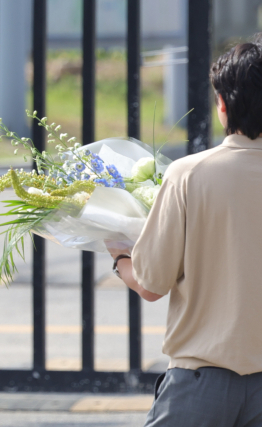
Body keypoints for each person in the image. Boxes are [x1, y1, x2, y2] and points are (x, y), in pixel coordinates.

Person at [108, 37, 262, 426]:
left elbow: (150, 284)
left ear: (223, 105)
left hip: (199, 383)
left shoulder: (189, 175)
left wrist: (119, 255)